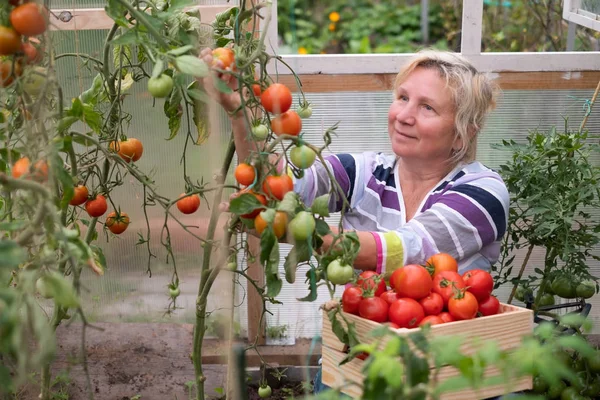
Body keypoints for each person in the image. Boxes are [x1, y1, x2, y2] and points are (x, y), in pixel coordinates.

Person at [200, 48, 510, 396]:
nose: (404, 115)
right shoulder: (363, 171)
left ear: (462, 132)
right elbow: (275, 190)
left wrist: (290, 229)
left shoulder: (482, 193)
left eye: (427, 107)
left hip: (446, 369)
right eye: (402, 97)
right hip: (359, 354)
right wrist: (240, 113)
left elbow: (402, 251)